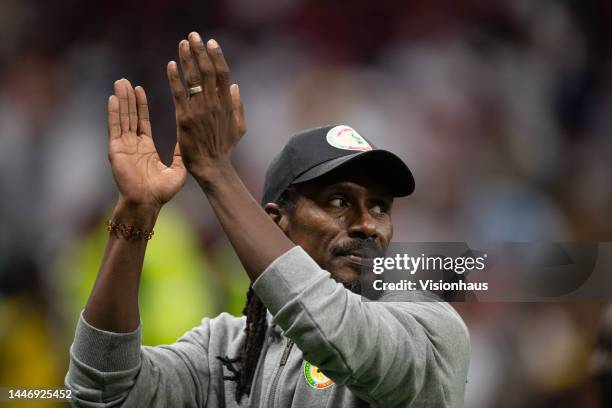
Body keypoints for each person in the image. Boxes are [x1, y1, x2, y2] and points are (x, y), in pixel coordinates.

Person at [65, 32, 470, 407]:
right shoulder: (229, 348)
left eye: (381, 206)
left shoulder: (431, 326)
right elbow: (103, 393)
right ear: (277, 221)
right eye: (339, 201)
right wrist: (135, 214)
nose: (368, 224)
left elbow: (336, 333)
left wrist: (215, 170)